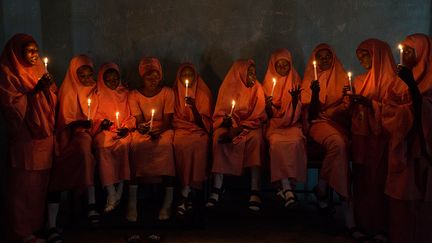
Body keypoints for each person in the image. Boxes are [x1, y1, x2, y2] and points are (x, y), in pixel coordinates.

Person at [0, 33, 57, 242]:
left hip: (44, 137)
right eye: (29, 51)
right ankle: (21, 232)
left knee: (39, 187)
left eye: (36, 51)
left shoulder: (39, 69)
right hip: (25, 139)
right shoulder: (8, 73)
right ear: (18, 52)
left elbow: (52, 100)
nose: (34, 55)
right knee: (22, 188)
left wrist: (48, 89)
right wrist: (35, 91)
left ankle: (36, 227)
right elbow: (11, 108)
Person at [301, 43, 356, 237]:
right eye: (320, 57)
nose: (324, 60)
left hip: (338, 125)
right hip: (318, 124)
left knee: (340, 148)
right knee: (338, 144)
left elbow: (348, 107)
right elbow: (312, 113)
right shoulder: (310, 79)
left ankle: (322, 187)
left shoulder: (341, 76)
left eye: (328, 56)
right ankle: (347, 210)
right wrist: (315, 93)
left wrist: (345, 102)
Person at [384, 33, 432, 243]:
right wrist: (402, 113)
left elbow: (427, 110)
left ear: (422, 52)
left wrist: (412, 86)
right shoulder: (397, 80)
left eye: (409, 50)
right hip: (400, 146)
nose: (404, 54)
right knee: (400, 197)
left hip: (420, 148)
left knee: (418, 199)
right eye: (403, 50)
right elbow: (388, 109)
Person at [349, 38, 396, 242]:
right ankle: (363, 224)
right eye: (359, 58)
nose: (362, 61)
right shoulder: (359, 80)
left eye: (366, 56)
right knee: (362, 181)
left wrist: (370, 104)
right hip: (362, 138)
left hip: (381, 139)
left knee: (379, 181)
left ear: (378, 55)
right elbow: (354, 111)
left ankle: (381, 226)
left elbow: (394, 113)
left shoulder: (394, 81)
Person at [48, 55, 100, 234]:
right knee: (80, 154)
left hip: (87, 133)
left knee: (86, 154)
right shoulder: (68, 91)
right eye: (82, 75)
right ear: (73, 74)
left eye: (89, 74)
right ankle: (54, 223)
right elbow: (64, 122)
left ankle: (90, 204)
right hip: (69, 136)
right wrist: (80, 124)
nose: (86, 79)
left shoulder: (94, 88)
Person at [206, 59, 267, 211]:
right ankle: (217, 188)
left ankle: (255, 190)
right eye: (249, 73)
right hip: (229, 126)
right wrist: (229, 123)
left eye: (254, 73)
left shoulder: (257, 88)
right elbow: (220, 114)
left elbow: (258, 116)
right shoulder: (227, 88)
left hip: (250, 126)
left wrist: (239, 129)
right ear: (240, 74)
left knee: (256, 140)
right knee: (218, 139)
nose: (253, 77)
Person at [128, 57, 176, 221]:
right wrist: (142, 127)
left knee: (166, 146)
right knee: (136, 146)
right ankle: (132, 203)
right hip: (145, 129)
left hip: (163, 129)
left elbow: (168, 121)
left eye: (156, 77)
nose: (153, 81)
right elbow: (140, 120)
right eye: (149, 77)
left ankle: (167, 202)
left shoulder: (168, 93)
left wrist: (158, 131)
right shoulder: (134, 95)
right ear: (142, 77)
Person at [263, 49, 307, 208]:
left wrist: (295, 100)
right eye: (279, 66)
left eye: (285, 65)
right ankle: (287, 188)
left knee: (296, 142)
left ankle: (288, 188)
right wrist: (268, 107)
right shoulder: (268, 82)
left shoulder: (296, 79)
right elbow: (268, 114)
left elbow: (298, 111)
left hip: (292, 124)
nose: (282, 69)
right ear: (273, 66)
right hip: (275, 125)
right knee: (276, 143)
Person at [93, 63, 135, 213]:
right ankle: (111, 191)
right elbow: (94, 115)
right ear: (102, 79)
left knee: (124, 146)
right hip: (105, 132)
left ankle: (120, 189)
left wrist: (127, 128)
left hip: (122, 131)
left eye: (116, 79)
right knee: (102, 147)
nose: (113, 83)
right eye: (109, 80)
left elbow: (131, 116)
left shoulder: (125, 93)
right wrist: (102, 123)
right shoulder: (97, 94)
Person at [172, 63, 213, 215]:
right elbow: (174, 119)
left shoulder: (203, 93)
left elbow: (205, 123)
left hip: (198, 131)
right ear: (179, 77)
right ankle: (187, 191)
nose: (187, 78)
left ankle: (187, 191)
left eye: (191, 75)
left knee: (199, 144)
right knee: (180, 146)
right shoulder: (174, 93)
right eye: (184, 75)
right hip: (181, 130)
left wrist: (194, 108)